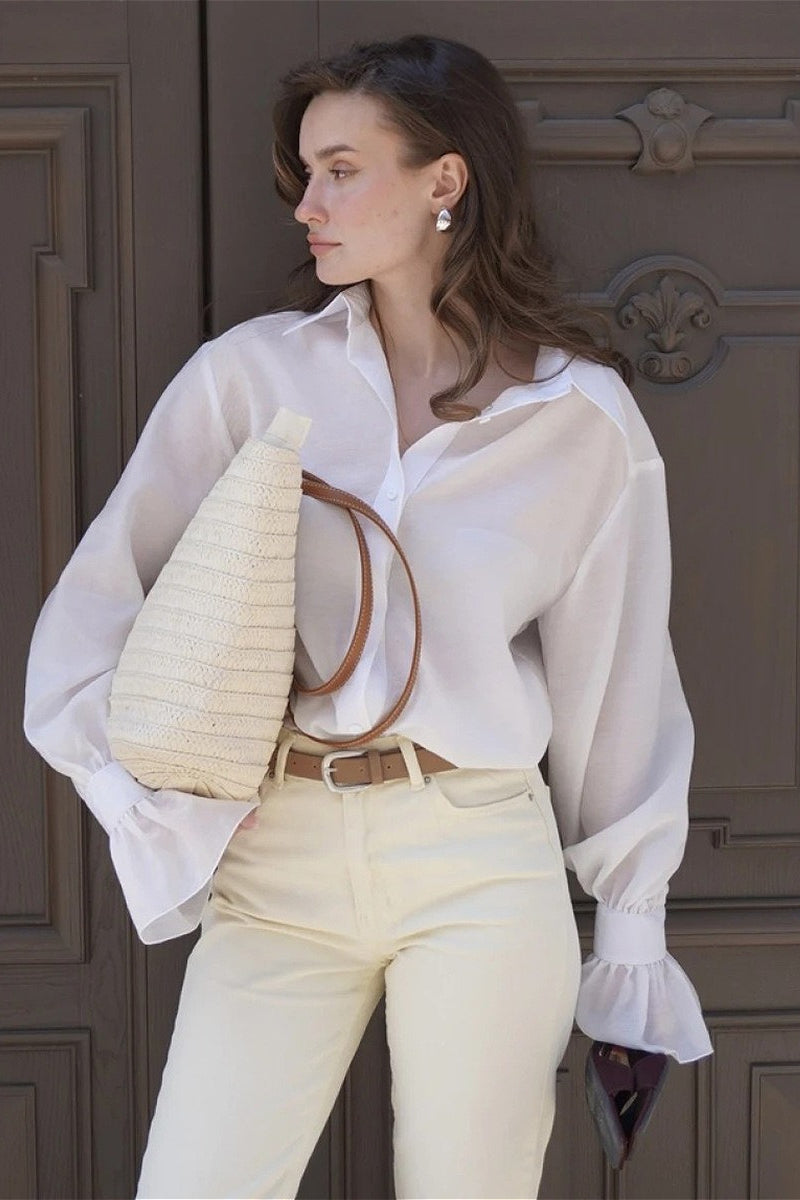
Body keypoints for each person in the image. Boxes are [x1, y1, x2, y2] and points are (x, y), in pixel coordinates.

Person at [23, 32, 713, 1200]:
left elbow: (618, 686)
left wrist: (629, 928)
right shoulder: (250, 378)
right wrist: (142, 805)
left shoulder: (577, 420)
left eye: (341, 171)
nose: (308, 206)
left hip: (476, 851)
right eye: (305, 174)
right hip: (275, 852)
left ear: (444, 180)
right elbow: (95, 612)